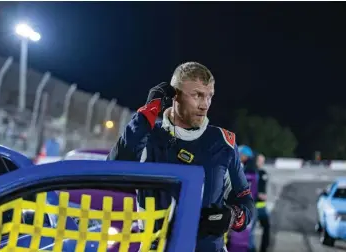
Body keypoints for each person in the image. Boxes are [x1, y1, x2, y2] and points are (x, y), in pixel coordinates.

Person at [107, 62, 255, 252]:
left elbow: (245, 200)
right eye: (197, 95)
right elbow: (115, 171)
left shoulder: (223, 143)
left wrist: (233, 216)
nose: (205, 105)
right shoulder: (149, 135)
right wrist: (147, 114)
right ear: (175, 96)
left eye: (209, 96)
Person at [253, 153, 270, 252]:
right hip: (254, 206)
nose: (261, 163)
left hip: (262, 206)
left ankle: (264, 249)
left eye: (262, 161)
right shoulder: (251, 172)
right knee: (250, 231)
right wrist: (258, 194)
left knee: (267, 228)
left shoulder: (263, 172)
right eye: (259, 161)